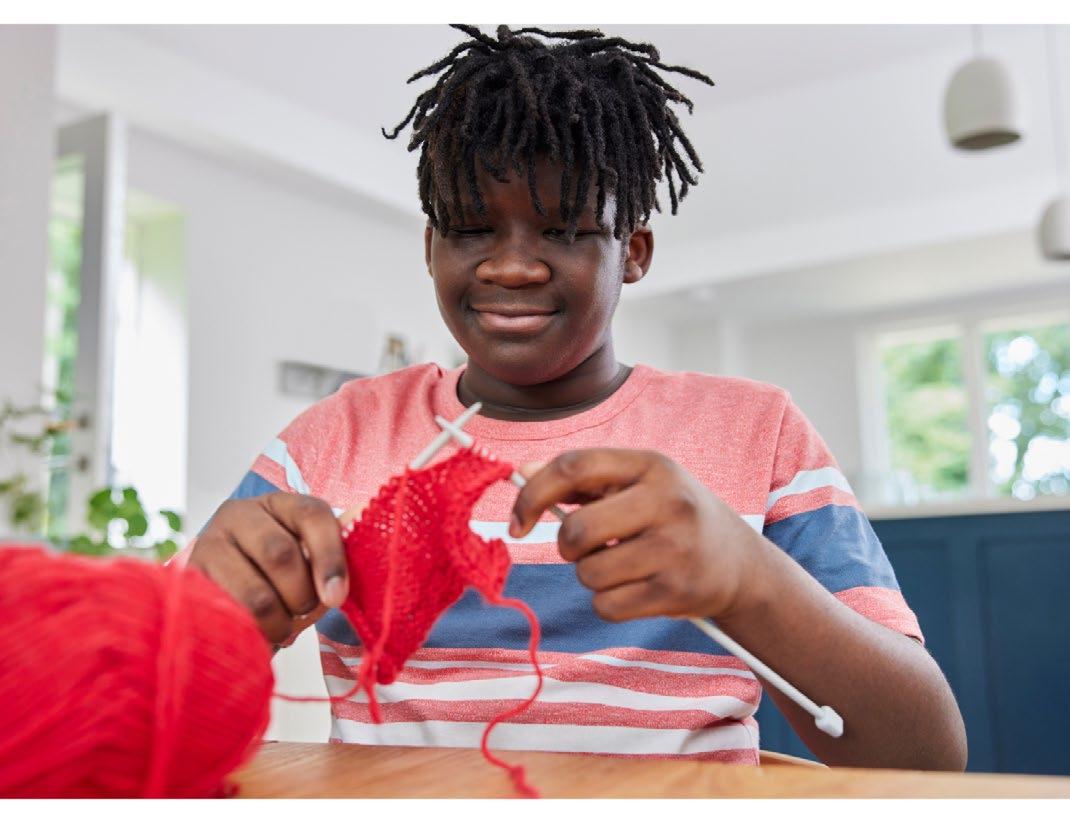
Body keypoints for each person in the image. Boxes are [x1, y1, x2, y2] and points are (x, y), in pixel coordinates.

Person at [186, 25, 967, 770]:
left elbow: (926, 755)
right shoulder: (335, 438)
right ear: (430, 247)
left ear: (633, 251)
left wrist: (749, 581)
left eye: (563, 230)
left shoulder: (756, 431)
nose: (512, 267)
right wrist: (212, 619)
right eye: (469, 228)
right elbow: (154, 693)